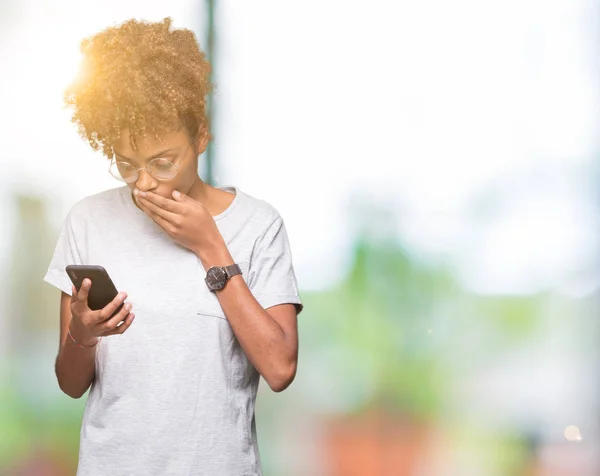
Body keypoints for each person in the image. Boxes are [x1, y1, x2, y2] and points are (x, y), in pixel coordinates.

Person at [42, 17, 302, 476]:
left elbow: (280, 368)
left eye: (163, 162)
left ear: (200, 134)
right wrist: (83, 333)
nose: (143, 183)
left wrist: (211, 248)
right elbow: (69, 383)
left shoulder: (259, 226)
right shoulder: (88, 221)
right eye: (126, 163)